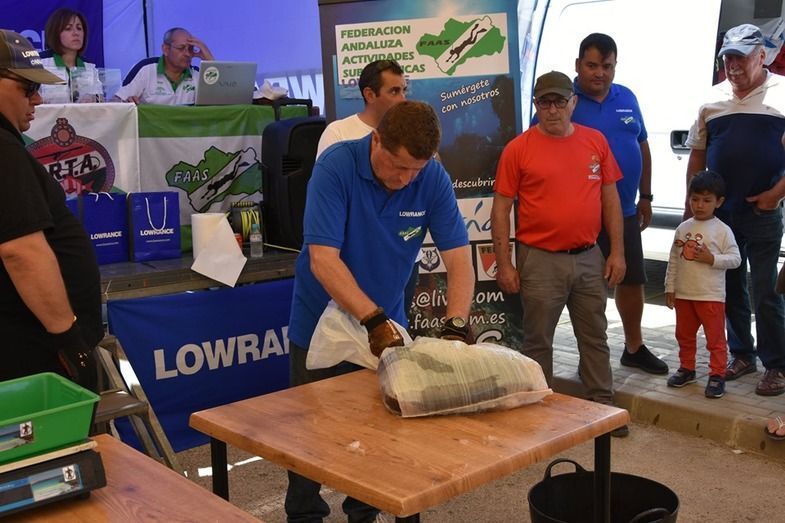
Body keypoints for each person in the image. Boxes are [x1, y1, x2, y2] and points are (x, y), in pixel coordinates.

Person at [286, 100, 475, 522]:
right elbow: (323, 261)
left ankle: (364, 514)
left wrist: (456, 327)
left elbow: (460, 260)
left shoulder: (432, 177)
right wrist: (372, 320)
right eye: (398, 166)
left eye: (415, 170)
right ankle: (304, 515)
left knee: (379, 435)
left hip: (386, 322)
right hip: (321, 322)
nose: (405, 179)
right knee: (308, 438)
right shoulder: (336, 167)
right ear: (377, 141)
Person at [491, 71, 628, 436]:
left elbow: (610, 199)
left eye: (559, 102)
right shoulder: (518, 149)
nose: (552, 110)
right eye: (544, 102)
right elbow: (500, 209)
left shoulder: (595, 141)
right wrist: (505, 264)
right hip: (539, 259)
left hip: (589, 256)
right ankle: (538, 410)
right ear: (536, 105)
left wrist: (616, 252)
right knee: (538, 341)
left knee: (595, 335)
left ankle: (603, 408)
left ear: (573, 102)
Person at [685, 24, 785, 396]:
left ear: (762, 56)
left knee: (766, 290)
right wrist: (692, 208)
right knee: (729, 286)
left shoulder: (782, 93)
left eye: (741, 57)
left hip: (763, 211)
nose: (733, 65)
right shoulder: (711, 100)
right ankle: (743, 354)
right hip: (721, 216)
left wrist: (775, 195)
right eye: (728, 57)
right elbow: (698, 154)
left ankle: (777, 364)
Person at [0, 30, 102, 390]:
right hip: (34, 353)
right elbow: (21, 250)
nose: (38, 99)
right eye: (27, 87)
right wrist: (69, 340)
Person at [570, 33, 668, 375]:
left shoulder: (627, 97)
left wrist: (646, 197)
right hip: (582, 214)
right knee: (586, 288)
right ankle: (590, 357)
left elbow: (642, 146)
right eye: (592, 65)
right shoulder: (564, 101)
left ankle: (634, 347)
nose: (600, 73)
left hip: (625, 211)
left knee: (632, 279)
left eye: (607, 66)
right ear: (578, 65)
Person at [664, 171, 741, 398]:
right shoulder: (683, 228)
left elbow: (736, 259)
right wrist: (670, 287)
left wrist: (712, 259)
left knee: (715, 339)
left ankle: (717, 374)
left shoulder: (723, 230)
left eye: (706, 200)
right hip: (684, 295)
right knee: (684, 335)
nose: (699, 205)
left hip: (710, 296)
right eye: (695, 199)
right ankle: (686, 368)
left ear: (719, 202)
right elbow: (674, 259)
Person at [316, 59, 407, 157]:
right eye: (394, 91)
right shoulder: (337, 133)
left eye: (404, 91)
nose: (403, 99)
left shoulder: (408, 133)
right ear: (370, 95)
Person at [112, 27, 213, 105]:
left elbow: (220, 103)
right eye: (181, 48)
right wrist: (125, 102)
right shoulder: (146, 69)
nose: (187, 54)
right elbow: (115, 102)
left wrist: (210, 60)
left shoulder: (197, 74)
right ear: (166, 49)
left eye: (191, 49)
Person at [41, 7, 101, 102]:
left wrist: (94, 99)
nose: (76, 33)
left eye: (79, 28)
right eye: (68, 28)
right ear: (55, 33)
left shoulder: (89, 67)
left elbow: (100, 101)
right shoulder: (40, 63)